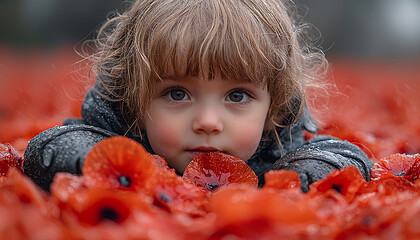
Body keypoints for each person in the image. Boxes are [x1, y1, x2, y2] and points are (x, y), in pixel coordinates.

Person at [24, 0, 372, 192]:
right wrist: (113, 164)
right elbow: (50, 146)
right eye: (177, 93)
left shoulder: (279, 152)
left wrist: (296, 176)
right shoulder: (120, 135)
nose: (207, 122)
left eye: (237, 96)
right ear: (134, 99)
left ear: (275, 109)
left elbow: (346, 156)